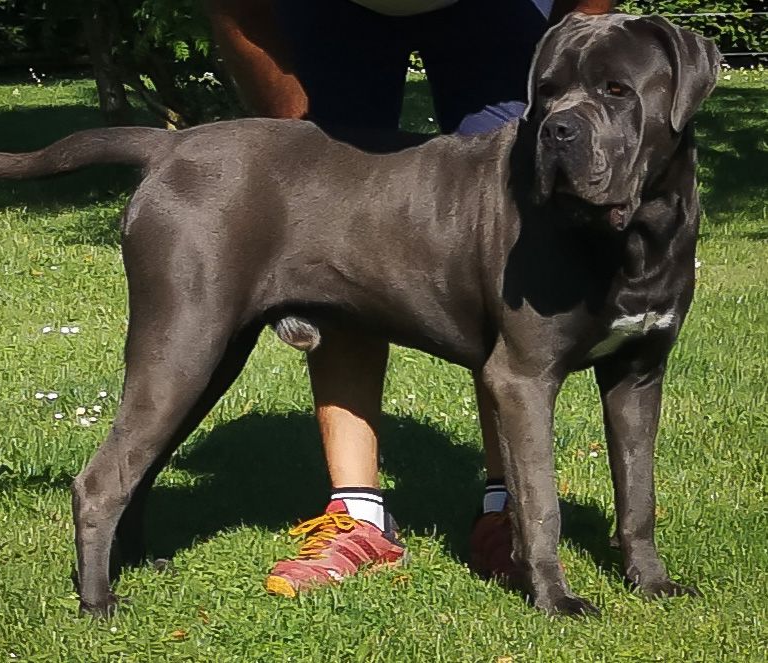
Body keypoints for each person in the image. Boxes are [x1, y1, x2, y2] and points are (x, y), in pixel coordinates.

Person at [203, 0, 614, 597]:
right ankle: (358, 516)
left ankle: (510, 512)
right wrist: (302, 157)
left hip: (497, 15)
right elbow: (237, 8)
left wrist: (563, 72)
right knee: (334, 236)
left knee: (513, 231)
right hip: (340, 14)